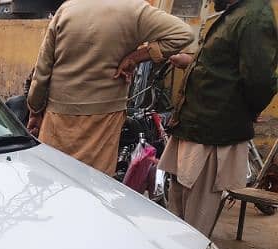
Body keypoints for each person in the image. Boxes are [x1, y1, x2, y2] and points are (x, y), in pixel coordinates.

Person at [27, 0, 193, 176]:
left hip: (58, 116)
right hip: (105, 118)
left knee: (53, 177)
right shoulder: (134, 9)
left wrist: (35, 111)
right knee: (95, 184)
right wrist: (137, 56)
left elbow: (42, 71)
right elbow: (184, 34)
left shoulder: (67, 9)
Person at [159, 0, 278, 236]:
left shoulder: (254, 16)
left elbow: (260, 80)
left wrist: (248, 111)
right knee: (179, 204)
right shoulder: (235, 14)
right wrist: (192, 62)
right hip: (192, 124)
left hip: (213, 130)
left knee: (197, 214)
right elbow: (224, 66)